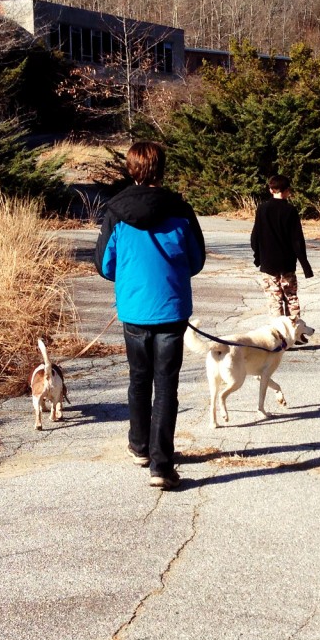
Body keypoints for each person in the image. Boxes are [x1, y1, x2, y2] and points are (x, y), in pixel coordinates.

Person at [95, 141, 205, 490]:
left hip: (134, 309)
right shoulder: (182, 210)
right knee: (166, 385)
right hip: (171, 308)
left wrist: (130, 278)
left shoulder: (116, 211)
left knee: (139, 379)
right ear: (161, 168)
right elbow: (196, 260)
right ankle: (162, 464)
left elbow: (104, 265)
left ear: (132, 169)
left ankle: (139, 446)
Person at [250, 174, 313, 319]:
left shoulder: (262, 209)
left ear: (271, 190)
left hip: (268, 263)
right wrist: (306, 266)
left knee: (274, 300)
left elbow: (255, 236)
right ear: (287, 191)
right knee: (291, 298)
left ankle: (279, 336)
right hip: (287, 264)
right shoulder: (290, 210)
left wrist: (258, 257)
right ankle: (295, 333)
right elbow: (297, 240)